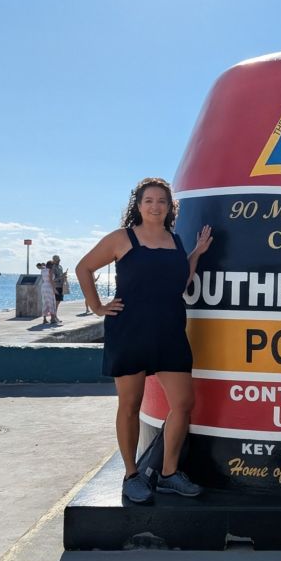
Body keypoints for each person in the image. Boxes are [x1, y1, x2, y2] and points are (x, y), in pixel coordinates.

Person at [76, 177, 213, 504]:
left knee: (182, 404)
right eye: (149, 201)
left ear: (169, 207)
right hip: (130, 330)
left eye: (162, 201)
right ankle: (131, 475)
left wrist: (195, 254)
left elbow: (179, 282)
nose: (155, 206)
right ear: (137, 206)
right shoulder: (122, 239)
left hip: (169, 330)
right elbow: (84, 268)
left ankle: (168, 473)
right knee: (130, 406)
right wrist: (97, 307)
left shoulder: (176, 241)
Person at [40, 261, 59, 325]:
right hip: (49, 287)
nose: (54, 266)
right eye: (53, 265)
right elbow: (51, 280)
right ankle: (52, 319)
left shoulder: (43, 270)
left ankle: (44, 319)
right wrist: (54, 289)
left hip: (44, 286)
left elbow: (42, 265)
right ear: (51, 265)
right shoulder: (50, 271)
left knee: (45, 302)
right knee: (51, 302)